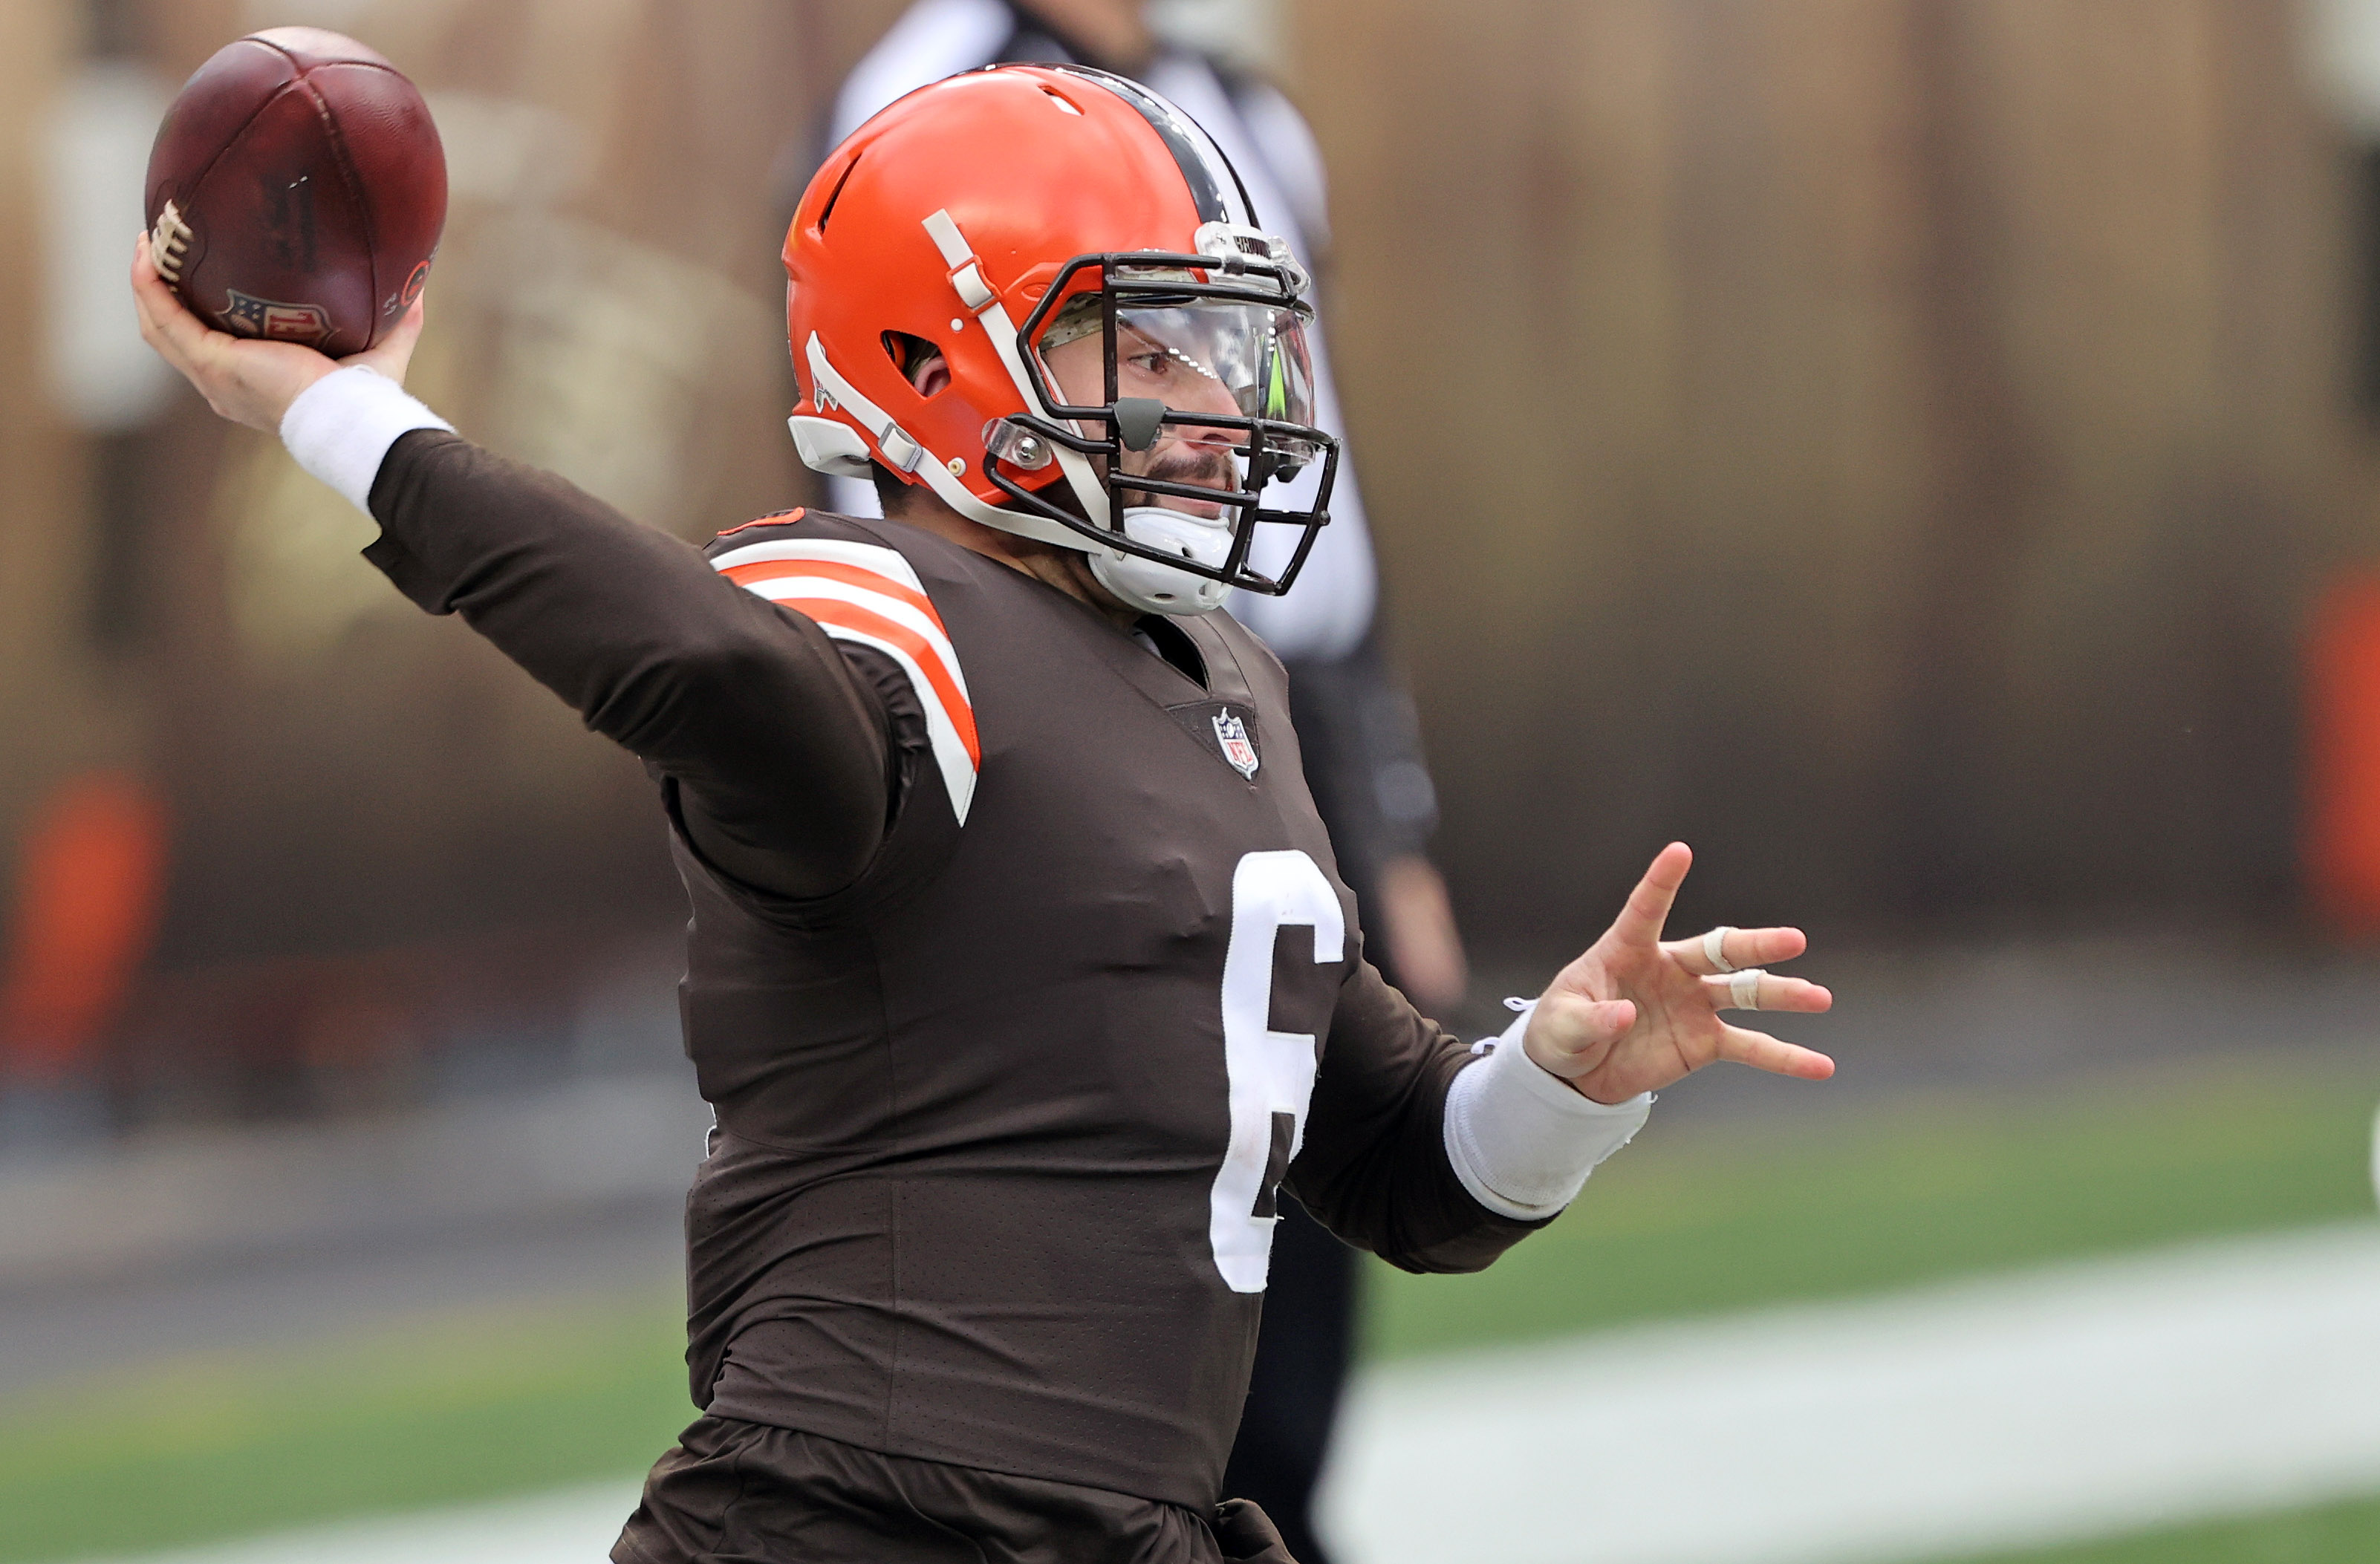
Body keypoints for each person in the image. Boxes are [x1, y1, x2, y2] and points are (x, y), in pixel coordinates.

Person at [131, 65, 1834, 1564]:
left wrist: (1560, 1078)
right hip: (862, 1519)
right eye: (1135, 343)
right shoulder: (877, 605)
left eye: (1218, 347)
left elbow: (1405, 1171)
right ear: (930, 357)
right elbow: (701, 665)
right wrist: (340, 414)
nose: (1207, 404)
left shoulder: (1222, 681)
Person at [821, 15, 1453, 1549]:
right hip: (1042, 727)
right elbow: (891, 436)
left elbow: (1325, 506)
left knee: (1298, 1259)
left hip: (1247, 706)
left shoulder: (1248, 112)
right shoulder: (926, 80)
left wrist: (1392, 821)